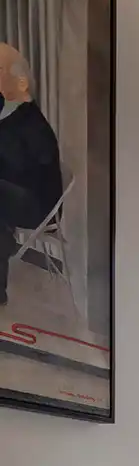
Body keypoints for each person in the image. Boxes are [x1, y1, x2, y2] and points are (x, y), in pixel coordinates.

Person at [0, 42, 63, 307]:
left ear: (21, 83)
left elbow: (21, 169)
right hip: (16, 190)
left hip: (39, 203)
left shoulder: (29, 121)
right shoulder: (9, 114)